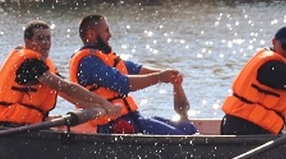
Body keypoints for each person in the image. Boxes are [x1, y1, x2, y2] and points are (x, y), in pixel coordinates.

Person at [68, 14, 198, 135]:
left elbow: (136, 69)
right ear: (91, 35)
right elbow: (122, 83)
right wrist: (159, 77)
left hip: (132, 117)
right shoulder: (88, 63)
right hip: (111, 125)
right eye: (106, 31)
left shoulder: (106, 59)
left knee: (188, 129)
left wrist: (169, 75)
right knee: (181, 137)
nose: (110, 35)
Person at [0, 21, 120, 125]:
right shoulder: (30, 64)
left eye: (48, 38)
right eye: (40, 38)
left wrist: (101, 108)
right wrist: (104, 102)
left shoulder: (44, 66)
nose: (46, 43)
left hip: (26, 126)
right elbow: (67, 87)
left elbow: (69, 95)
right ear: (28, 42)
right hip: (7, 126)